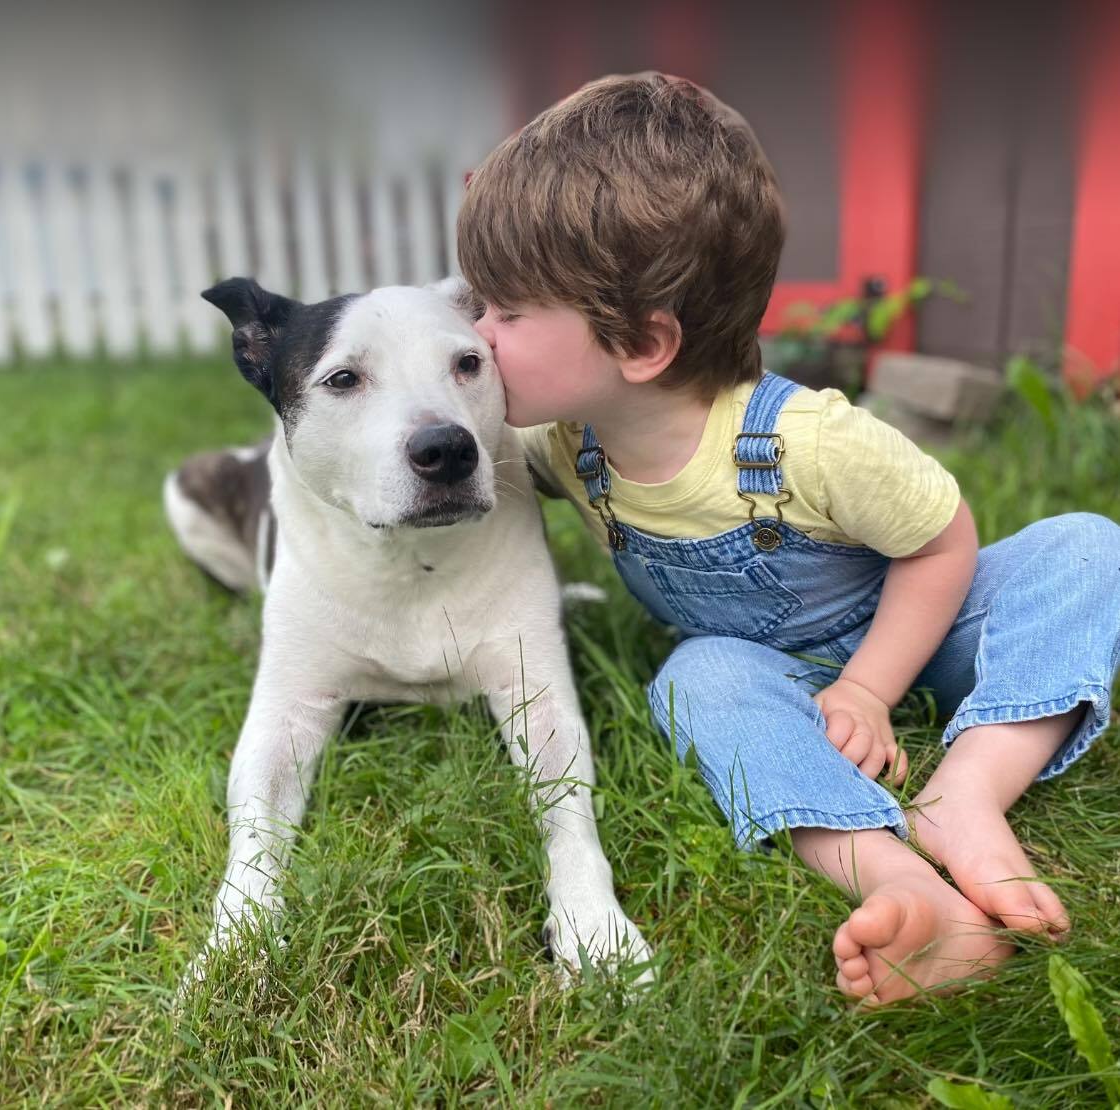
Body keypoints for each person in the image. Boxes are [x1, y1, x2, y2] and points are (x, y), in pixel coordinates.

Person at [455, 71, 1120, 1004]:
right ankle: (895, 881)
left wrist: (869, 688)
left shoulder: (809, 441)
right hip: (774, 676)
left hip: (926, 628)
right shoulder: (563, 444)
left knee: (1088, 546)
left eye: (505, 312)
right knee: (695, 680)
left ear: (643, 345)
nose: (476, 338)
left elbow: (943, 543)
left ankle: (966, 793)